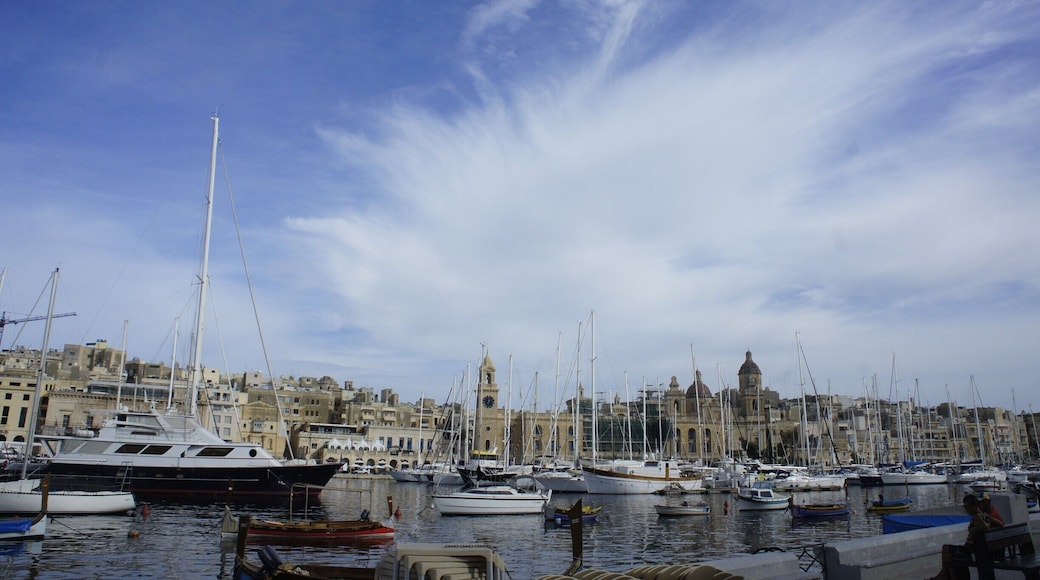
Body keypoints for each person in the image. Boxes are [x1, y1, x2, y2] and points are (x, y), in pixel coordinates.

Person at [929, 494, 1003, 580]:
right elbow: (1000, 524)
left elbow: (984, 527)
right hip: (977, 550)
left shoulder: (978, 517)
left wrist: (976, 527)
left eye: (967, 506)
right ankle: (942, 576)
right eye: (965, 507)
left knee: (947, 552)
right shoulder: (984, 515)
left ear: (974, 505)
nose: (966, 509)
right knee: (947, 551)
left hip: (972, 552)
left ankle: (943, 577)